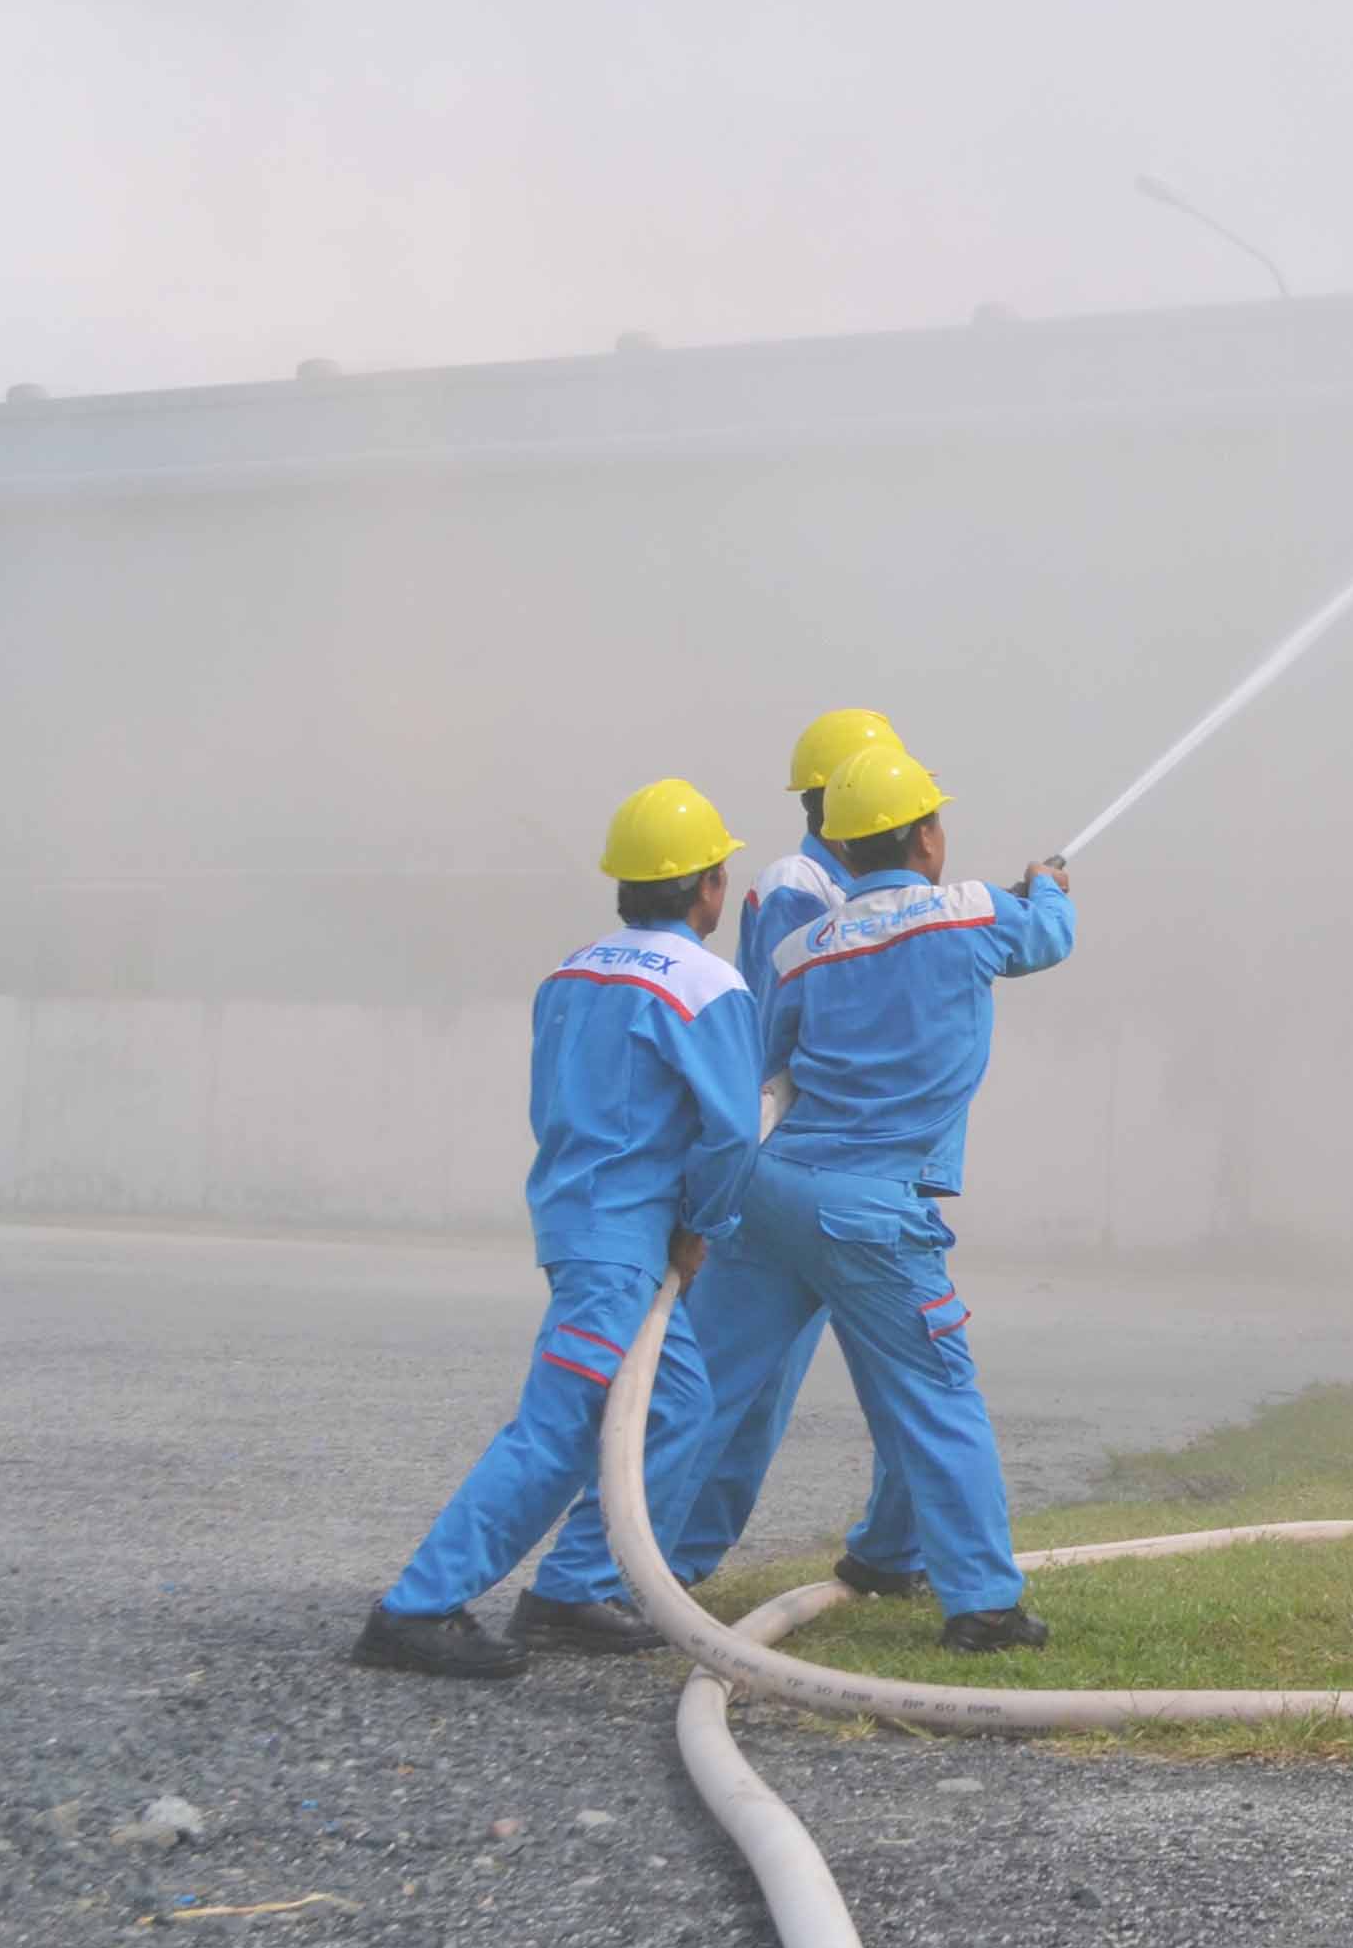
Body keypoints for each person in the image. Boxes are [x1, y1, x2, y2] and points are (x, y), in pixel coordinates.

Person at [351, 780, 760, 1680]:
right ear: (704, 888)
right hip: (628, 1242)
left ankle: (575, 1589)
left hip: (578, 1220)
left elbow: (555, 1102)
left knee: (682, 1405)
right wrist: (702, 1226)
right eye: (721, 874)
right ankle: (416, 1608)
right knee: (562, 1426)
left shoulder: (572, 972)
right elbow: (732, 1132)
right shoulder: (709, 985)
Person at [673, 739, 1076, 1652]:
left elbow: (771, 1056)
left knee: (702, 1387)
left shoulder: (807, 944)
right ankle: (984, 1605)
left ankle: (622, 1574)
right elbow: (1048, 936)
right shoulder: (970, 914)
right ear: (929, 836)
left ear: (842, 852)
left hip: (776, 1193)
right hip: (869, 1209)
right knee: (937, 1391)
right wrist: (1046, 883)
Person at [532, 707, 923, 1614]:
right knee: (717, 1386)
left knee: (827, 1387)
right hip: (788, 1169)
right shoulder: (799, 884)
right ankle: (638, 1563)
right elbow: (795, 1017)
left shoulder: (857, 893)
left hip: (840, 1171)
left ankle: (750, 1556)